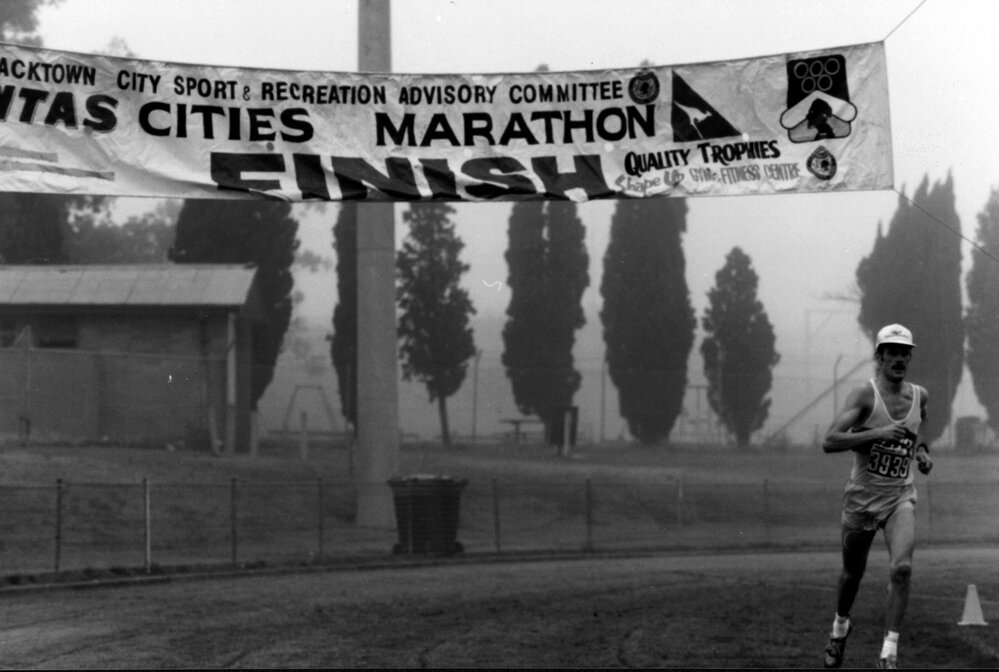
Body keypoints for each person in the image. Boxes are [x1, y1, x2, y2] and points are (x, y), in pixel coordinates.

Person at [821, 323, 933, 669]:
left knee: (901, 569)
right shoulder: (864, 396)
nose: (899, 359)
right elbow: (830, 441)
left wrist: (922, 451)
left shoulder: (919, 395)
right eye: (893, 353)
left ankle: (889, 653)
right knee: (851, 575)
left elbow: (920, 424)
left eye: (905, 353)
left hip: (899, 498)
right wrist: (878, 432)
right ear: (879, 357)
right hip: (861, 500)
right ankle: (840, 628)